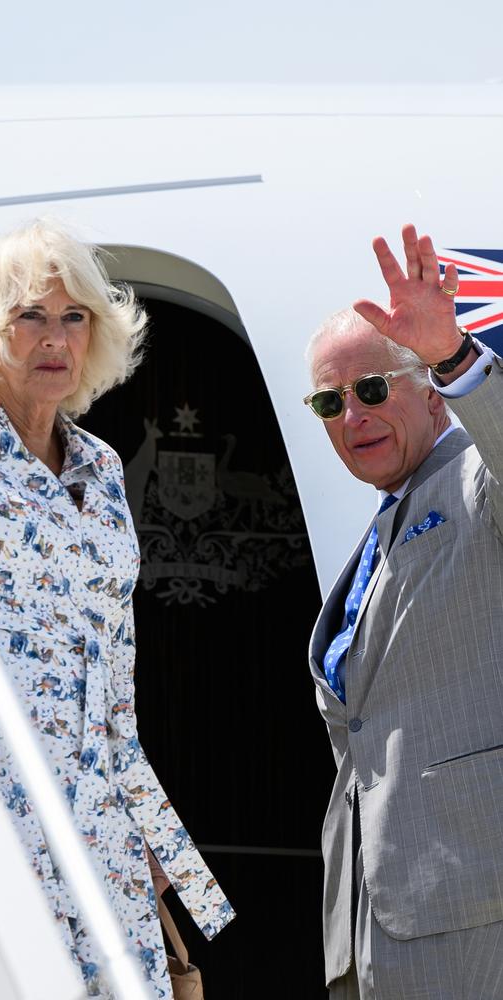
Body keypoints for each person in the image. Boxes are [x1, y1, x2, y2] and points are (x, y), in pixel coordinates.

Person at [0, 104, 234, 998]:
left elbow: (113, 680)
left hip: (96, 823)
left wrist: (149, 849)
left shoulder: (102, 469)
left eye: (73, 317)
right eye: (31, 316)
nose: (55, 338)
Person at [303, 223, 503, 999]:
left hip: (473, 916)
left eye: (373, 389)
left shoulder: (474, 483)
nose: (352, 417)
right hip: (374, 927)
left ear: (429, 393)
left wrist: (456, 355)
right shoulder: (387, 518)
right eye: (330, 400)